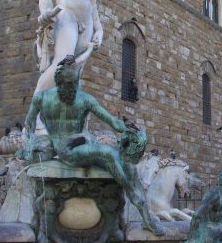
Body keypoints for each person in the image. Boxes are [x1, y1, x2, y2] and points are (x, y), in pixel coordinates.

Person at [20, 59, 164, 236]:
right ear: (59, 82)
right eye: (67, 84)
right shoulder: (42, 98)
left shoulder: (84, 99)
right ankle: (136, 199)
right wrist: (30, 145)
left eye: (73, 83)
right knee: (107, 154)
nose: (71, 87)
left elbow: (111, 120)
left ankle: (144, 214)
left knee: (128, 164)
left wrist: (128, 128)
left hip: (81, 143)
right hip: (66, 150)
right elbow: (29, 125)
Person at [185, 170, 222, 243]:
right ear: (218, 180)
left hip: (216, 233)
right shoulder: (214, 194)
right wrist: (191, 238)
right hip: (206, 234)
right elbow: (196, 215)